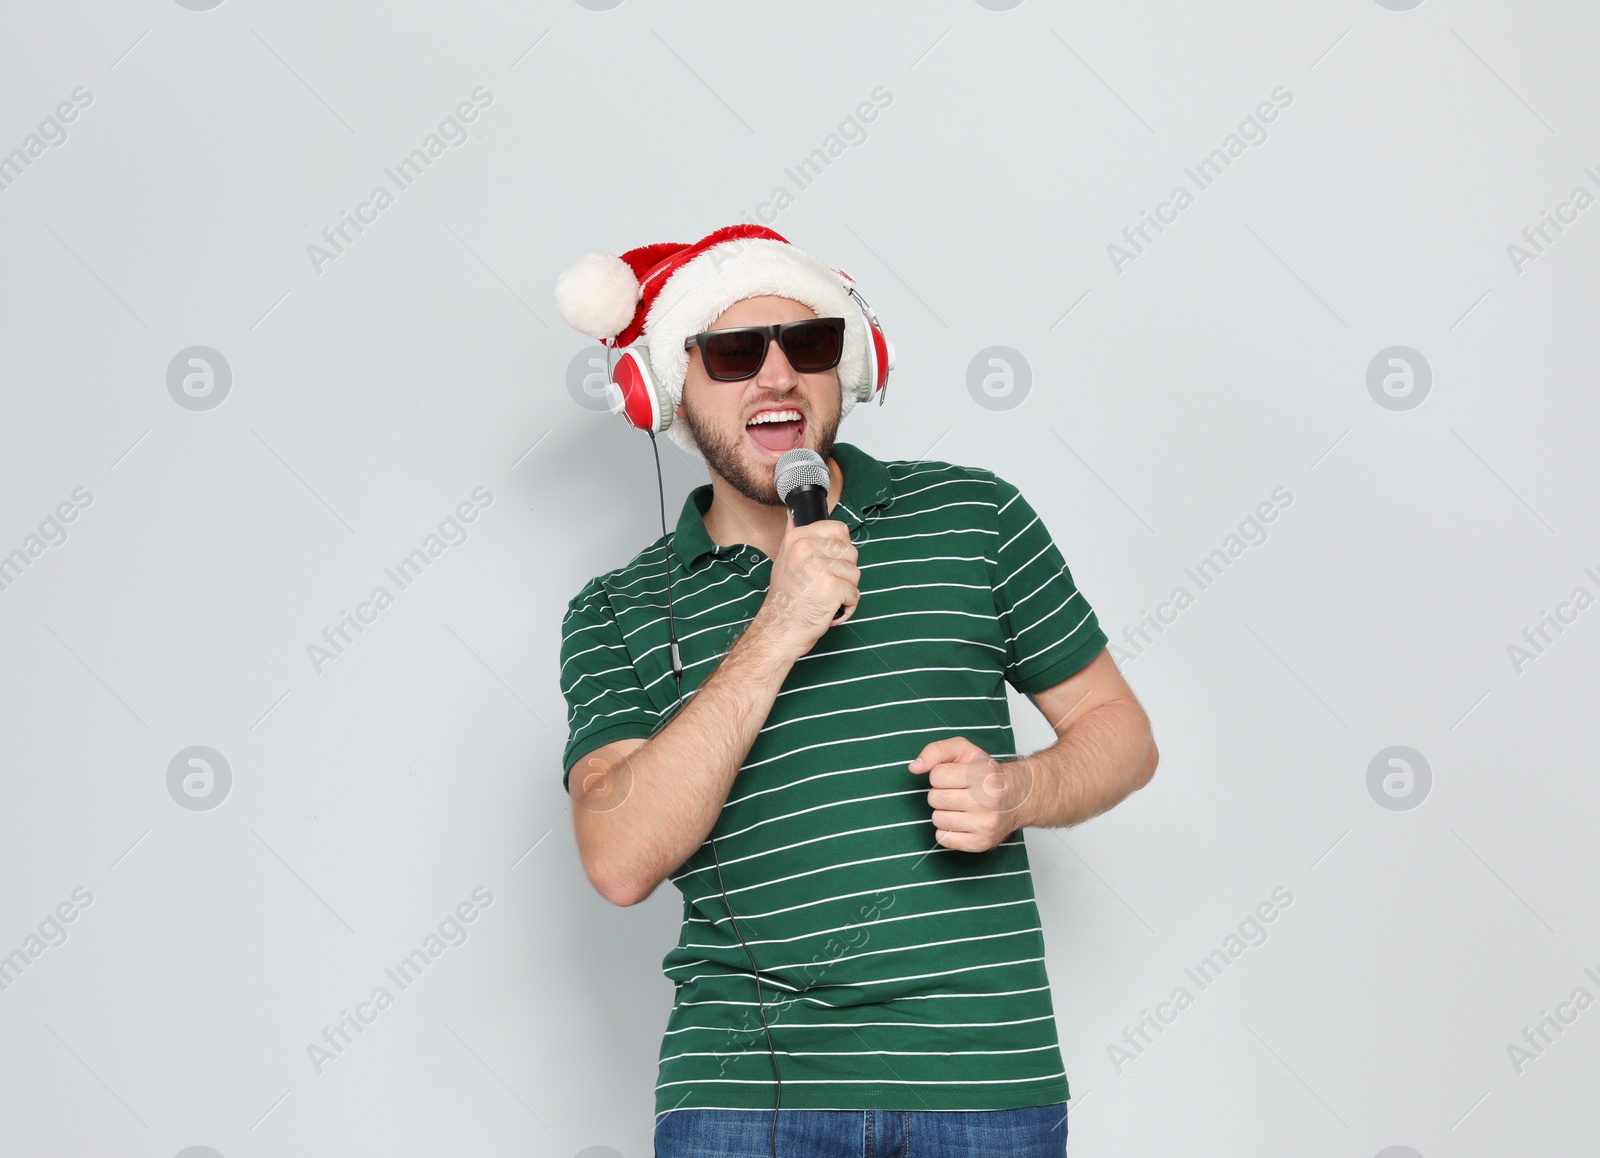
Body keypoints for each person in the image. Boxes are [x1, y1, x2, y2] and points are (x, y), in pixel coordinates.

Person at [554, 225, 1158, 1158]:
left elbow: (1120, 733)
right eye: (732, 353)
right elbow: (621, 860)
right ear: (668, 389)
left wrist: (1019, 791)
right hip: (743, 1099)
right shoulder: (617, 609)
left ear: (851, 364)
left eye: (810, 343)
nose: (778, 376)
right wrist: (777, 626)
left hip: (983, 1081)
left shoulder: (975, 517)